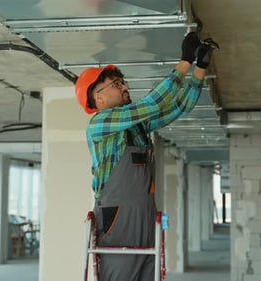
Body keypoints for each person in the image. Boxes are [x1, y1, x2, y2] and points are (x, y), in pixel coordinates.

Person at [75, 31, 217, 281]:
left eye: (123, 81)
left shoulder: (135, 126)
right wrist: (185, 61)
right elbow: (152, 103)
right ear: (98, 97)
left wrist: (200, 68)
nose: (124, 86)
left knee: (145, 274)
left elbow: (179, 106)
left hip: (144, 212)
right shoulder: (100, 122)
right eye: (116, 84)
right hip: (117, 220)